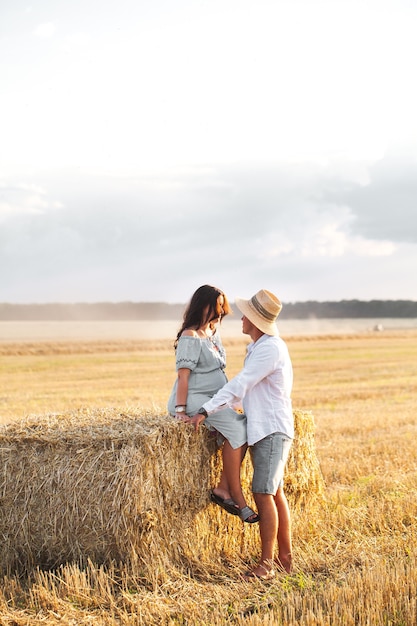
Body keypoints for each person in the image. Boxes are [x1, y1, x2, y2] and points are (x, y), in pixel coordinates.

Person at [181, 289, 294, 580]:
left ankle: (266, 566)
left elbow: (241, 384)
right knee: (276, 493)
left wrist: (205, 410)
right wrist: (223, 413)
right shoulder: (259, 347)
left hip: (271, 430)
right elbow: (244, 393)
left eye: (246, 315)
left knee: (263, 493)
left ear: (256, 321)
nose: (240, 318)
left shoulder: (269, 349)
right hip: (264, 428)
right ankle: (284, 558)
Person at [167, 284, 259, 523]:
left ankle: (222, 488)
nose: (221, 311)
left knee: (245, 426)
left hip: (215, 398)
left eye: (222, 305)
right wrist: (180, 411)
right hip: (194, 399)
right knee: (239, 429)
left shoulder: (213, 331)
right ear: (203, 305)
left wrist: (227, 400)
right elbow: (183, 377)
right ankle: (237, 496)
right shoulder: (190, 335)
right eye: (217, 305)